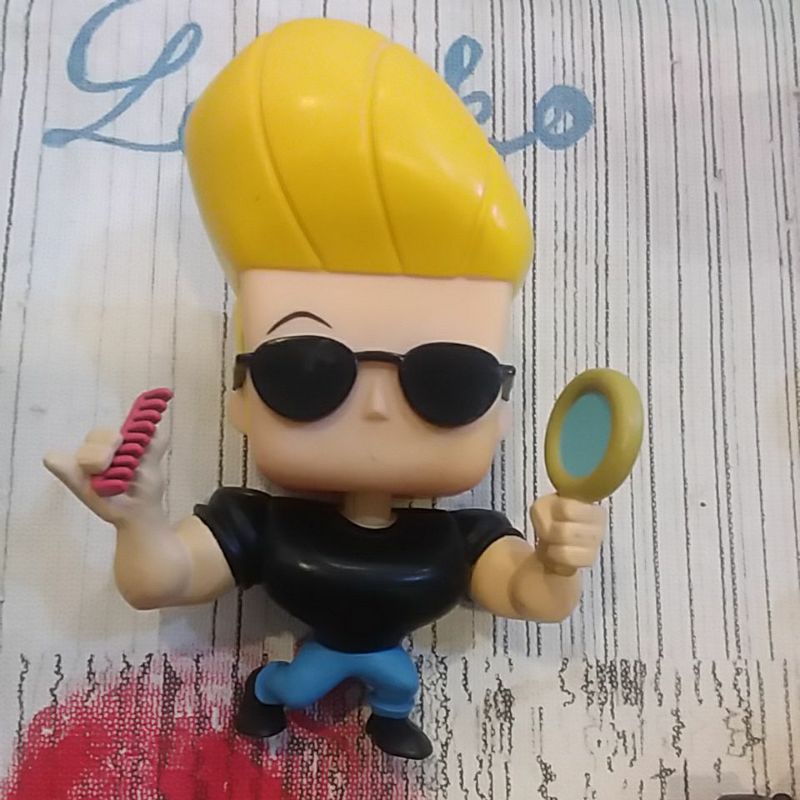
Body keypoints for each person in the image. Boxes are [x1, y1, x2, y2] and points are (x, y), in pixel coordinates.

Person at [44, 18, 605, 760]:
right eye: (308, 371)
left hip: (387, 656)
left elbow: (531, 597)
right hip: (319, 654)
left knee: (396, 681)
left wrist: (558, 563)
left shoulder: (462, 538)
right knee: (300, 683)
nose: (374, 404)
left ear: (500, 410)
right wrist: (137, 520)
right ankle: (268, 692)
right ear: (240, 397)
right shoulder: (261, 525)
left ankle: (389, 717)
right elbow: (160, 583)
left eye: (448, 380)